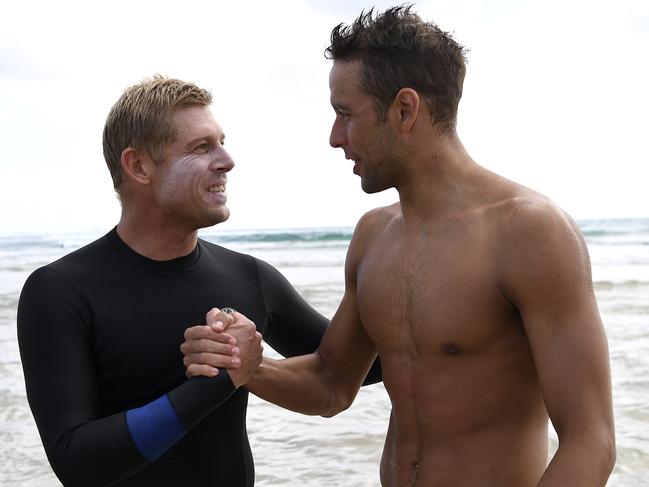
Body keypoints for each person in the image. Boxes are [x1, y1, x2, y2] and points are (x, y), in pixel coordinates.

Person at [183, 6, 616, 486]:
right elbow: (331, 383)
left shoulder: (529, 232)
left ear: (404, 110)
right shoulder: (374, 236)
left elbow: (590, 441)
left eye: (346, 114)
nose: (334, 137)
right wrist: (250, 366)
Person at [17, 75, 380, 486]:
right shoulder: (61, 291)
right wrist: (221, 377)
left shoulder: (250, 276)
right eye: (202, 147)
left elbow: (358, 368)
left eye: (222, 142)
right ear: (139, 166)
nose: (227, 160)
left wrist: (409, 284)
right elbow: (76, 462)